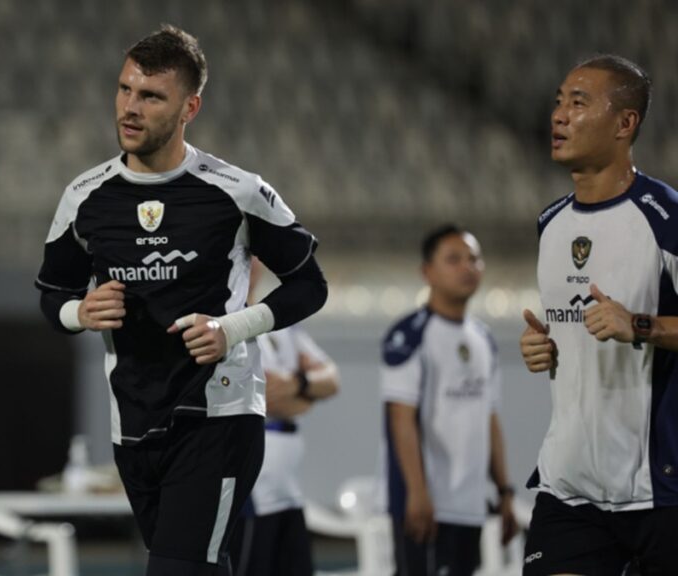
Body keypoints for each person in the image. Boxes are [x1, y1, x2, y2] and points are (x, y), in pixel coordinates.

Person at [35, 25, 328, 576]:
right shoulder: (85, 197)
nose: (129, 107)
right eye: (124, 89)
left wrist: (232, 328)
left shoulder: (236, 191)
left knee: (176, 569)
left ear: (189, 106)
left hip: (218, 415)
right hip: (133, 422)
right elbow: (53, 294)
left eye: (150, 96)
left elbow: (311, 284)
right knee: (196, 566)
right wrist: (81, 312)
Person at [519, 55, 678, 576]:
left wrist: (641, 325)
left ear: (625, 123)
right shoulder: (551, 224)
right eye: (559, 102)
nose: (560, 115)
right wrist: (544, 349)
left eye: (579, 102)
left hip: (659, 490)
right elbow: (570, 331)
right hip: (570, 487)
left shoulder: (665, 219)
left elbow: (633, 325)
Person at [379, 225, 517, 576]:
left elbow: (490, 418)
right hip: (426, 504)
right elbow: (401, 418)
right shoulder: (410, 334)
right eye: (453, 259)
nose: (467, 267)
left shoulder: (484, 338)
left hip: (469, 504)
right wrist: (417, 492)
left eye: (474, 259)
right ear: (427, 272)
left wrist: (504, 493)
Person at [229, 259, 340, 576]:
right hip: (252, 487)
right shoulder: (222, 326)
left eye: (254, 256)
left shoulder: (280, 324)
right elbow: (267, 398)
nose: (249, 265)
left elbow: (332, 380)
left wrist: (298, 385)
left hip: (287, 486)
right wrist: (305, 390)